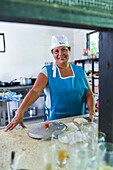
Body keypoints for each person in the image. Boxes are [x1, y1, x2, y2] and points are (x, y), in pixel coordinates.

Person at [4, 35, 95, 131]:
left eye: (64, 49)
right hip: (56, 123)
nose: (60, 54)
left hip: (78, 121)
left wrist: (92, 112)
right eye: (56, 51)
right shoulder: (47, 72)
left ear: (69, 50)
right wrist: (20, 111)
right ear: (52, 53)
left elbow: (88, 93)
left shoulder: (80, 70)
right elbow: (35, 91)